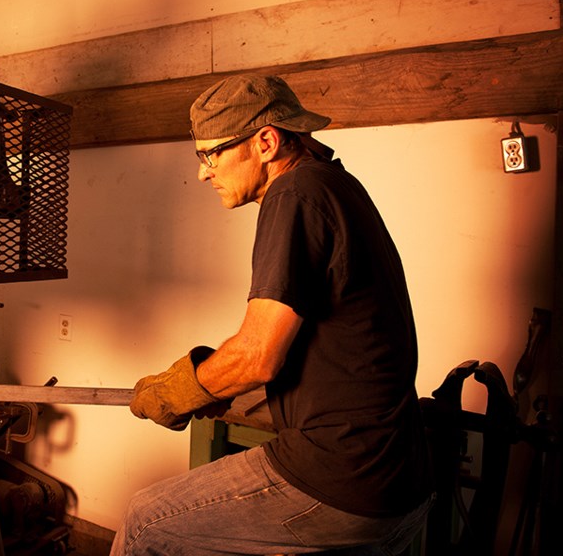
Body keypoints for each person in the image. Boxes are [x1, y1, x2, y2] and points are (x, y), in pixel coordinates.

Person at [111, 75, 434, 555]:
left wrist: (177, 393)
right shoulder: (336, 186)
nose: (203, 173)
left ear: (265, 141)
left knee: (145, 522)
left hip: (344, 475)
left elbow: (258, 355)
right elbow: (320, 342)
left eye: (211, 154)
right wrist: (214, 384)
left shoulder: (294, 194)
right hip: (402, 472)